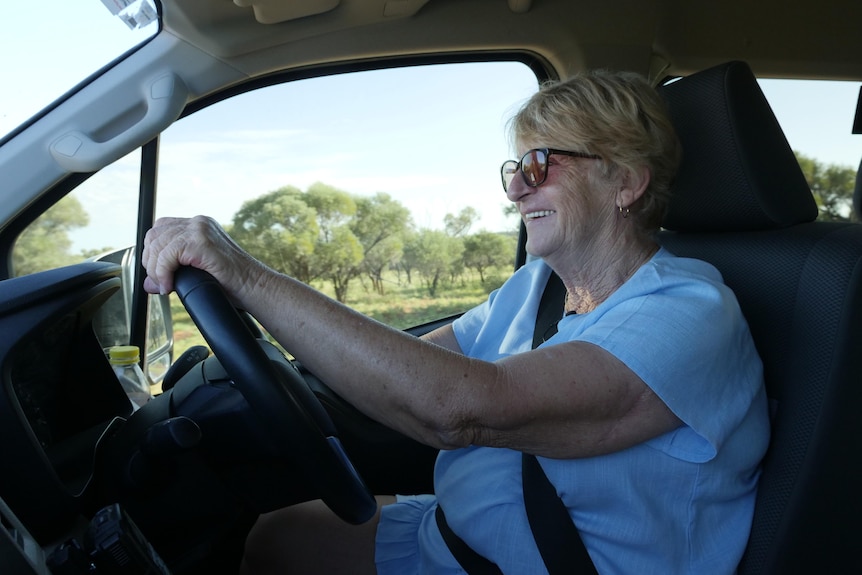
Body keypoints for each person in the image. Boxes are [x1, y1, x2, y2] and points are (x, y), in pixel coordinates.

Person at [142, 69, 770, 574]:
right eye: (514, 169)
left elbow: (461, 406)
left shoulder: (689, 313)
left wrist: (246, 276)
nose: (516, 190)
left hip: (546, 561)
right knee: (275, 538)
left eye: (540, 165)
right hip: (456, 534)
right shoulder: (537, 287)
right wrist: (276, 352)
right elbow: (410, 361)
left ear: (625, 182)